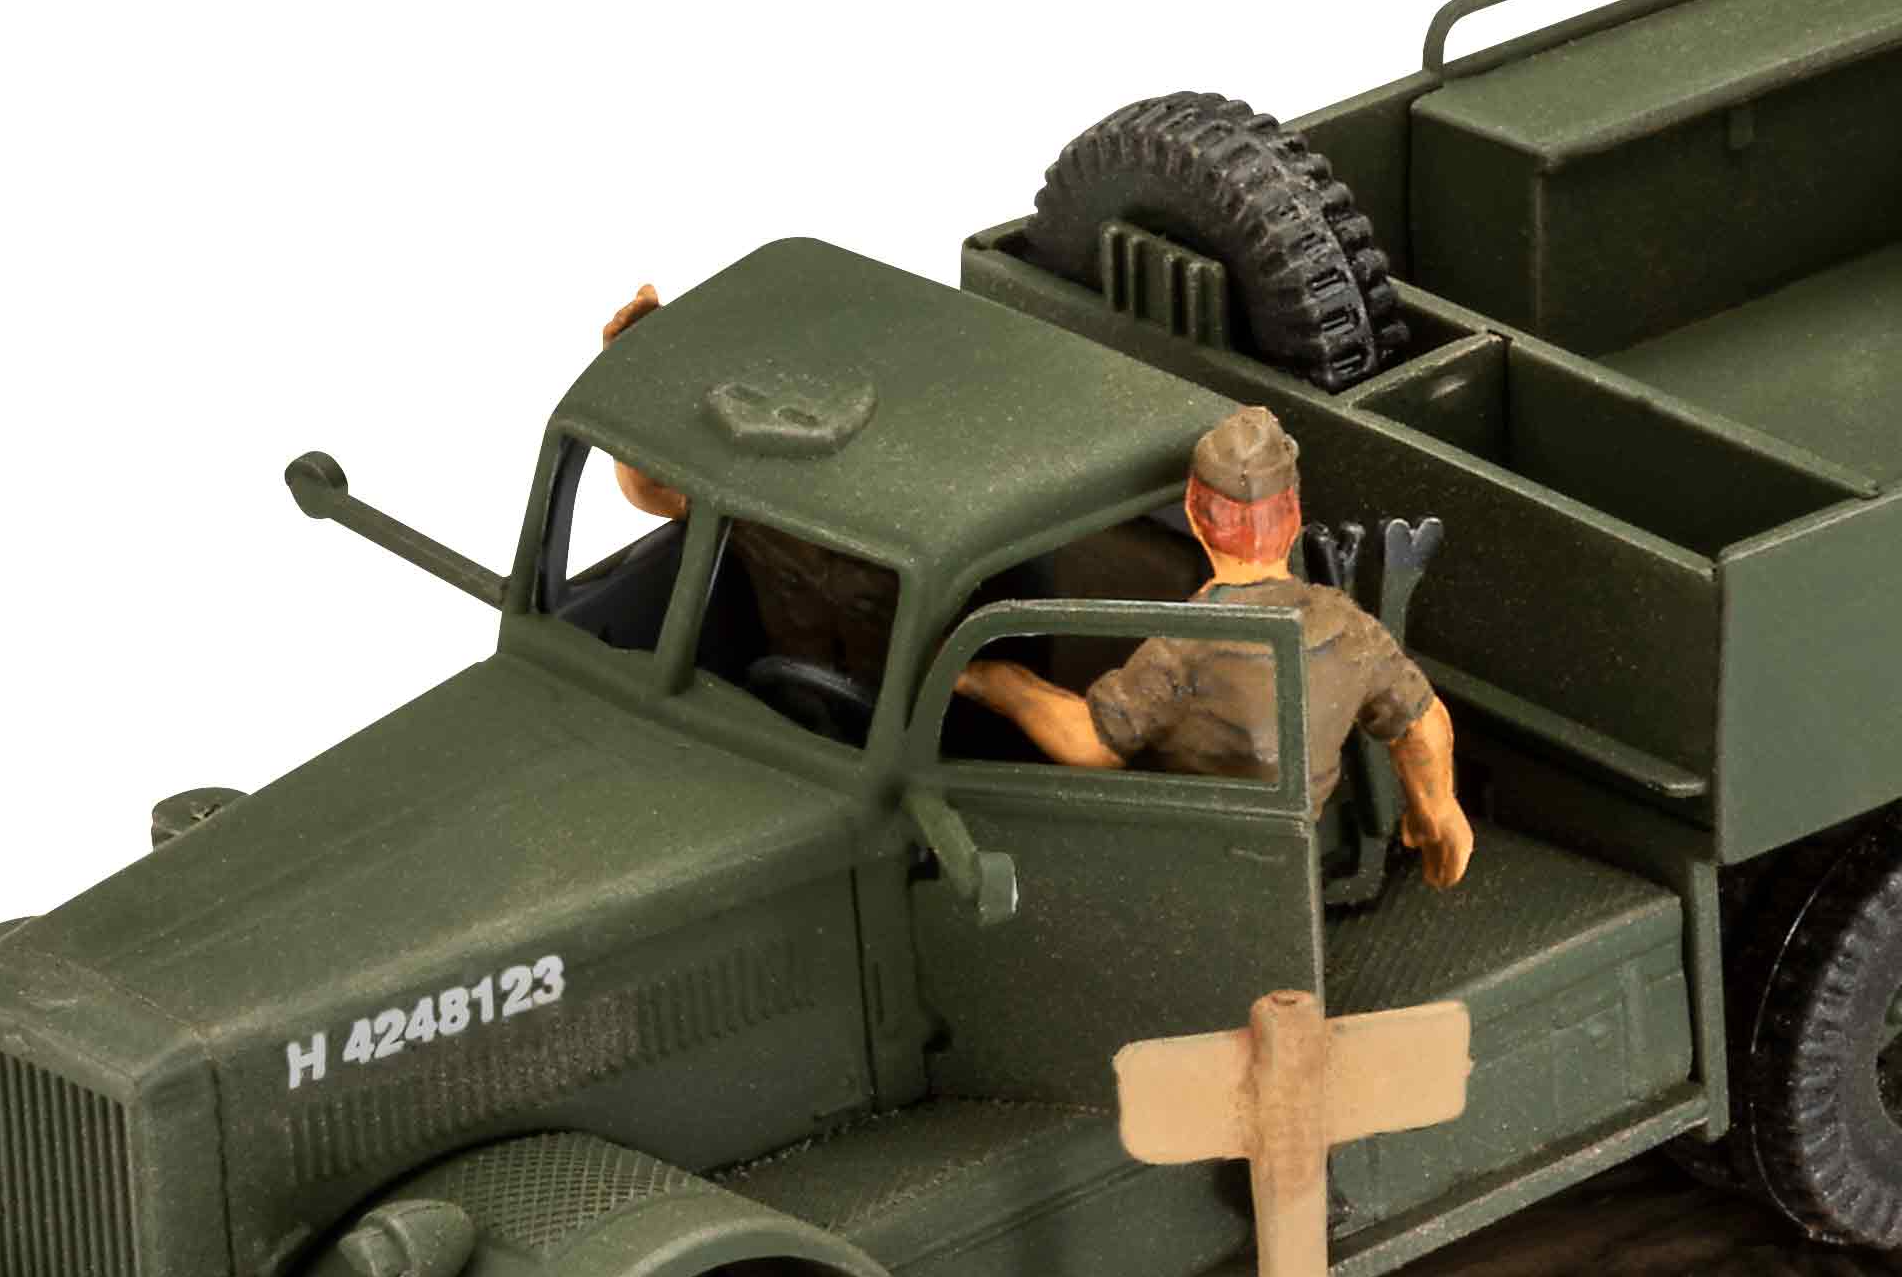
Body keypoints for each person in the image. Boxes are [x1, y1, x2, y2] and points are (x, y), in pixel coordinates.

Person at [954, 407, 1472, 884]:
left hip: (1191, 864)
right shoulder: (1346, 624)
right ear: (1292, 516)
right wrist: (1437, 812)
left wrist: (997, 682)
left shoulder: (1187, 645)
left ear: (1196, 514)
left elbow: (1091, 744)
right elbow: (1422, 720)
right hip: (1292, 856)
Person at [596, 282, 902, 688]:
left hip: (890, 714)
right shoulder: (759, 522)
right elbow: (649, 489)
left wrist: (976, 682)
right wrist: (630, 367)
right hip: (784, 697)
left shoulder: (902, 549)